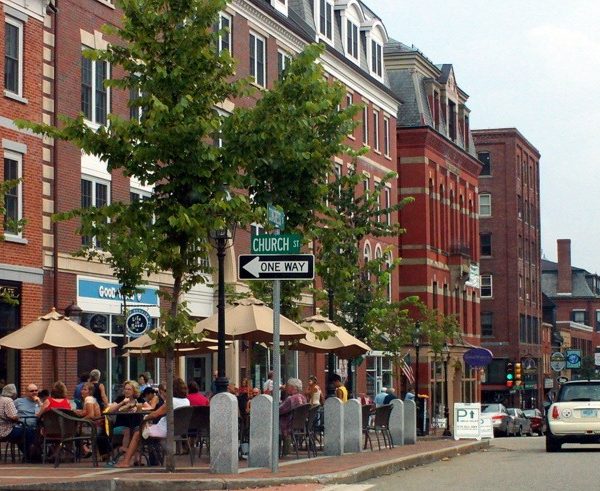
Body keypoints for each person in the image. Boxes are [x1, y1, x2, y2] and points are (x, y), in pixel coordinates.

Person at [115, 378, 190, 468]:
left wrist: (145, 418)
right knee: (141, 430)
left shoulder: (171, 401)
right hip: (178, 430)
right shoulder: (186, 401)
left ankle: (126, 461)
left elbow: (156, 414)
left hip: (165, 429)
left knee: (137, 433)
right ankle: (138, 458)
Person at [0, 384, 34, 459]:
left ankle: (28, 455)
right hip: (6, 431)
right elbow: (13, 416)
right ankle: (30, 455)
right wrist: (19, 418)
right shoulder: (8, 400)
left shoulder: (1, 399)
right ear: (13, 393)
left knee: (22, 435)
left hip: (1, 429)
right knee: (29, 431)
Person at [279, 378, 307, 455]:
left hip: (288, 425)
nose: (286, 388)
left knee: (273, 423)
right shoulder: (303, 398)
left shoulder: (291, 399)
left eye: (288, 386)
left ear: (293, 387)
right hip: (300, 425)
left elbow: (279, 410)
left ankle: (278, 452)